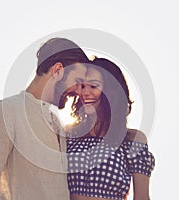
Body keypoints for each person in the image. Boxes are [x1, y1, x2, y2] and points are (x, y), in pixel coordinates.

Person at [0, 37, 89, 200]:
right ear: (58, 70)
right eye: (77, 81)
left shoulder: (56, 123)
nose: (78, 90)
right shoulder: (7, 111)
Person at [65, 57, 155, 200]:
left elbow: (142, 197)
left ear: (112, 91)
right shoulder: (68, 135)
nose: (85, 92)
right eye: (82, 86)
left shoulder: (131, 139)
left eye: (93, 86)